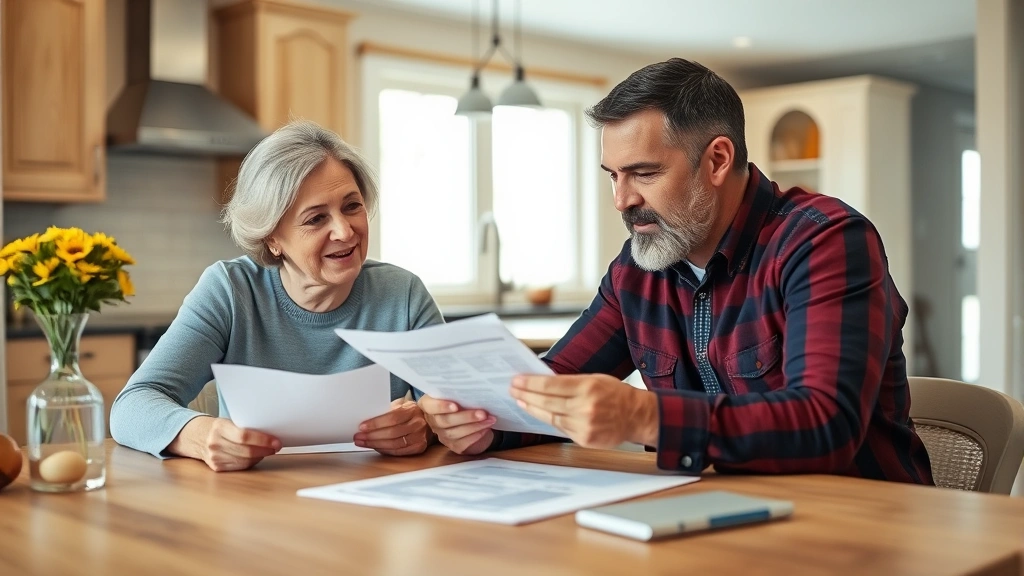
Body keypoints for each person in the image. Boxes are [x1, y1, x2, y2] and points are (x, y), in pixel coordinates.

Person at [421, 58, 934, 484]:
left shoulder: (824, 240)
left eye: (644, 173)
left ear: (716, 160)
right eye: (613, 176)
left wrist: (643, 415)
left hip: (858, 525)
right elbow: (551, 385)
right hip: (716, 519)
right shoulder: (638, 267)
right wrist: (481, 422)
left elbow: (826, 426)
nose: (622, 200)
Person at [111, 120, 443, 471]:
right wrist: (200, 435)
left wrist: (426, 427)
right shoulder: (230, 291)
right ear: (272, 238)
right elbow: (131, 406)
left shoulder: (403, 295)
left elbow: (469, 415)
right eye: (316, 219)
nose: (345, 231)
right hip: (252, 503)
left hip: (374, 498)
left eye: (352, 206)